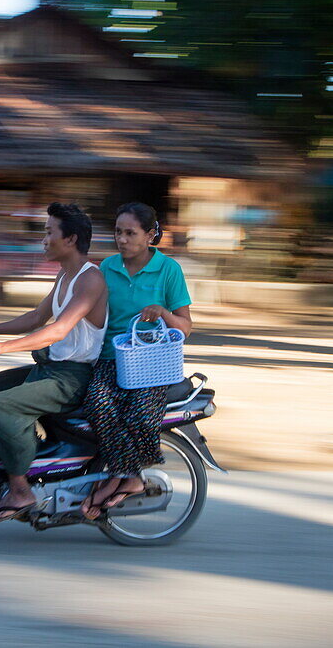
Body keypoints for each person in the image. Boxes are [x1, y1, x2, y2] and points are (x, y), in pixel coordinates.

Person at [0, 202, 108, 523]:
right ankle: (5, 464)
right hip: (51, 368)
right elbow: (35, 317)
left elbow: (56, 330)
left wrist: (2, 347)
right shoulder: (65, 275)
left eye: (48, 232)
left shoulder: (91, 279)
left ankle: (21, 490)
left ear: (70, 239)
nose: (43, 240)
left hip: (72, 378)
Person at [79, 202, 193, 520]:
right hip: (110, 357)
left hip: (151, 363)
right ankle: (128, 476)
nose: (123, 239)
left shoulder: (169, 270)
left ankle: (120, 477)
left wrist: (164, 312)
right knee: (98, 403)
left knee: (140, 413)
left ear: (149, 236)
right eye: (118, 232)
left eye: (131, 233)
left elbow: (185, 327)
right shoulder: (106, 268)